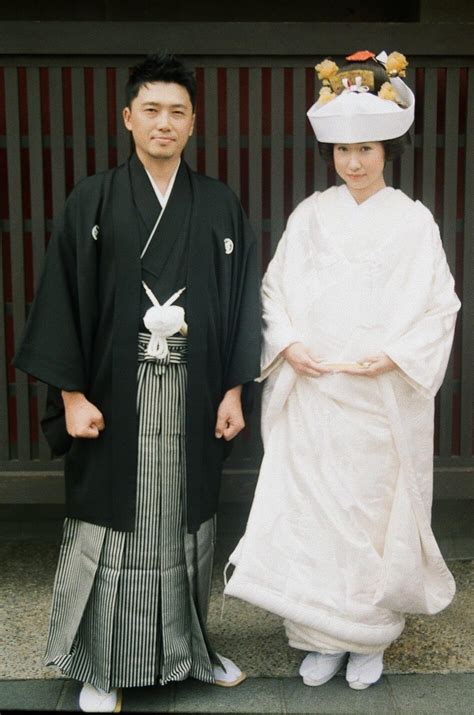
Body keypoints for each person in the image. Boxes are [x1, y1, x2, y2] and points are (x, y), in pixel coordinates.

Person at [13, 52, 260, 712]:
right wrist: (70, 396)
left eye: (177, 111)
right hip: (111, 398)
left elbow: (241, 303)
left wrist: (236, 389)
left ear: (193, 123)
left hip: (195, 391)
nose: (164, 122)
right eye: (151, 109)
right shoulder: (91, 198)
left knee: (185, 529)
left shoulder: (217, 204)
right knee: (112, 531)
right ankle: (101, 664)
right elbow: (61, 298)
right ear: (128, 117)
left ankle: (191, 652)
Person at [224, 50, 461, 691]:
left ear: (386, 150)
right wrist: (290, 344)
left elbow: (440, 305)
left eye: (366, 149)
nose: (353, 162)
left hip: (379, 394)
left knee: (369, 514)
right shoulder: (310, 215)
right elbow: (272, 293)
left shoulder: (414, 222)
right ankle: (318, 636)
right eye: (343, 151)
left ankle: (368, 638)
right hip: (315, 389)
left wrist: (398, 355)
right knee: (312, 513)